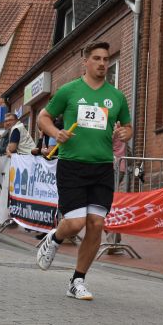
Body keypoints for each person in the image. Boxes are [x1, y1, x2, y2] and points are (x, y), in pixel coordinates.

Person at [35, 41, 132, 301]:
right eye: (97, 58)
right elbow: (43, 117)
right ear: (86, 62)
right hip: (72, 165)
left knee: (96, 224)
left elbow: (128, 126)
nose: (102, 63)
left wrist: (125, 132)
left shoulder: (117, 96)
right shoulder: (69, 91)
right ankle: (55, 238)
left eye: (106, 59)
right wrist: (56, 132)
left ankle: (77, 281)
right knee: (75, 223)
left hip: (102, 167)